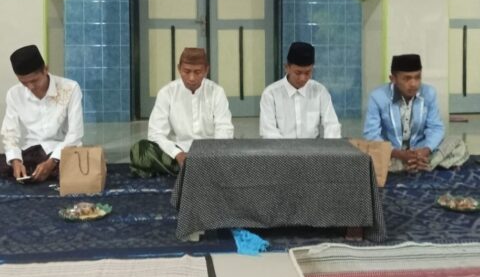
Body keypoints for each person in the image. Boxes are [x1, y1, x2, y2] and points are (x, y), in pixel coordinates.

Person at [130, 47, 234, 176]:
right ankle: (197, 170)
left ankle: (187, 171)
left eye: (197, 72)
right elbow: (155, 133)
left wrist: (212, 154)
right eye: (186, 71)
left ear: (206, 70)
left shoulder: (217, 92)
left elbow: (224, 129)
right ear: (179, 69)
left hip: (211, 152)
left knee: (237, 152)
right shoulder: (167, 93)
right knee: (140, 150)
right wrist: (177, 154)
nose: (192, 77)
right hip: (178, 152)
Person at [363, 53, 468, 172]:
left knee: (458, 144)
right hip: (391, 152)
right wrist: (398, 154)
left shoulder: (429, 93)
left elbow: (436, 128)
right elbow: (371, 134)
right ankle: (424, 165)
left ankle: (414, 163)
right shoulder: (377, 97)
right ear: (393, 79)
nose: (413, 84)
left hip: (420, 150)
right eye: (407, 78)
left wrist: (426, 150)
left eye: (417, 77)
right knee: (366, 152)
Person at [0, 44, 84, 182]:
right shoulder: (14, 94)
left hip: (61, 151)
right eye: (24, 82)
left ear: (45, 69)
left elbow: (75, 134)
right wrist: (15, 161)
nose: (30, 87)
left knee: (76, 169)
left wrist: (52, 161)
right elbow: (10, 133)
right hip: (30, 152)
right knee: (9, 161)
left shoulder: (70, 88)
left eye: (34, 80)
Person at [259, 41, 341, 139]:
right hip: (281, 147)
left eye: (307, 73)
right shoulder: (270, 94)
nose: (303, 78)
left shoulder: (320, 91)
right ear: (287, 68)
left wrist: (331, 146)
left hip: (313, 148)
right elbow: (269, 132)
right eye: (298, 73)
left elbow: (332, 125)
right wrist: (284, 148)